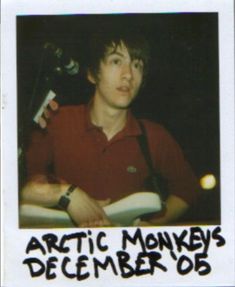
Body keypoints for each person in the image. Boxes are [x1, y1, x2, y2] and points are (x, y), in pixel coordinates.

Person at [21, 30, 199, 227]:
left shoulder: (154, 137)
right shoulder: (55, 121)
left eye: (137, 65)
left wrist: (153, 227)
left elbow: (188, 190)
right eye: (116, 61)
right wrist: (67, 194)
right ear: (92, 74)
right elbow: (17, 187)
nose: (128, 75)